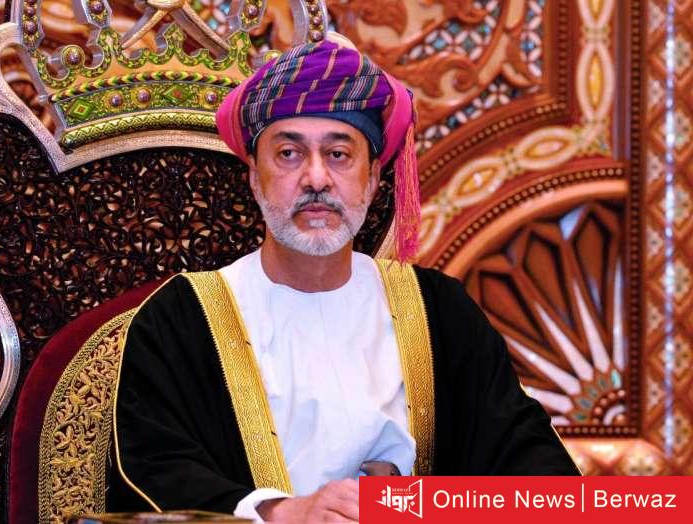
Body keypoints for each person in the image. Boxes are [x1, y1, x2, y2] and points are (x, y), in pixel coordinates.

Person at [110, 36, 580, 523]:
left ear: (372, 179)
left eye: (338, 154)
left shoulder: (439, 310)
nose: (316, 178)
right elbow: (152, 474)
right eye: (288, 153)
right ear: (253, 176)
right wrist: (281, 512)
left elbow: (531, 466)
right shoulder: (181, 320)